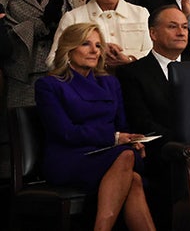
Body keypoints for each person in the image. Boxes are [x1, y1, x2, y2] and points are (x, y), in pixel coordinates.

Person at [34, 22, 154, 231]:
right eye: (86, 44)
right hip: (69, 157)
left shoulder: (111, 83)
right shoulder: (49, 85)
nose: (94, 51)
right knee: (128, 166)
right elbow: (65, 132)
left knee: (130, 167)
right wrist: (115, 138)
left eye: (98, 46)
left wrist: (133, 140)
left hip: (109, 154)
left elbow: (121, 125)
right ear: (69, 49)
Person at [116, 5, 190, 228]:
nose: (181, 32)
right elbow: (142, 122)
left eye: (185, 27)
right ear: (153, 33)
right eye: (173, 26)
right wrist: (184, 141)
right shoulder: (133, 73)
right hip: (162, 152)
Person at [2, 0, 73, 106]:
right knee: (21, 127)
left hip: (56, 71)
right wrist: (45, 20)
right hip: (20, 74)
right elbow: (11, 35)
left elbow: (72, 35)